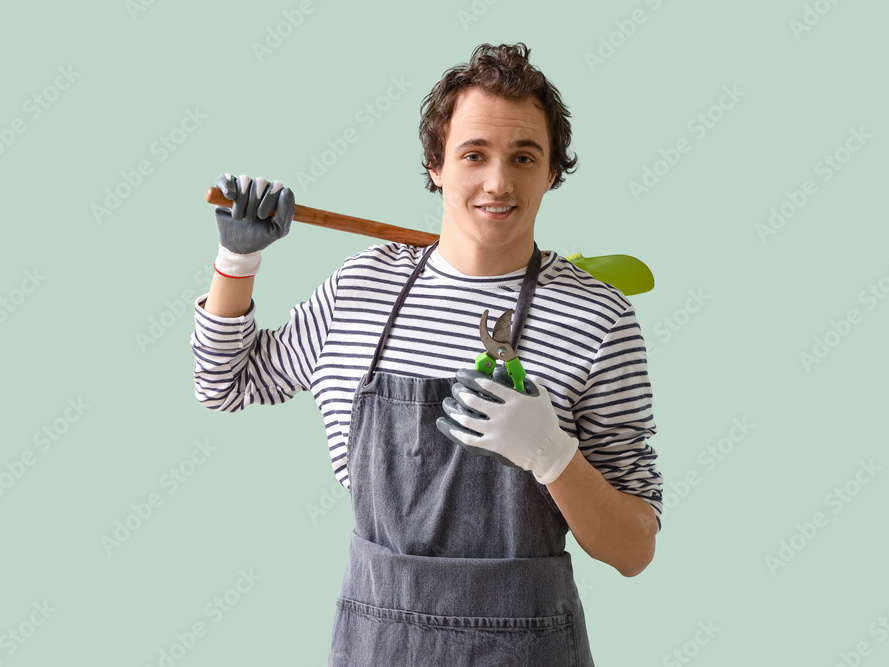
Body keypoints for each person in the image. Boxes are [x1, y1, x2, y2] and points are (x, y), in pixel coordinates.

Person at [190, 42, 662, 666]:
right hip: (377, 644)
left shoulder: (596, 317)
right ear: (436, 165)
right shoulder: (361, 289)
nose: (498, 181)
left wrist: (554, 457)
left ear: (551, 172)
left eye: (524, 157)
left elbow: (632, 550)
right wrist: (237, 264)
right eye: (474, 154)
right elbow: (227, 383)